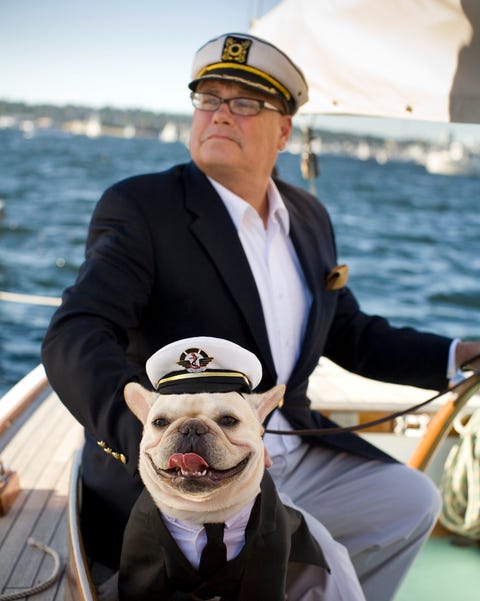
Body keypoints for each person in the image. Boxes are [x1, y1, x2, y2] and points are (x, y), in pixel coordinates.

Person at [42, 32, 480, 600]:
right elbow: (76, 333)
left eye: (245, 103)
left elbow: (346, 329)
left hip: (292, 444)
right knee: (328, 566)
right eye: (209, 98)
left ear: (284, 131)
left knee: (412, 502)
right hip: (196, 462)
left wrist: (453, 356)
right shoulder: (142, 207)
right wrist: (152, 441)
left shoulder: (308, 216)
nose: (221, 114)